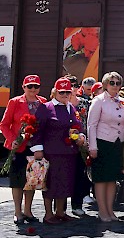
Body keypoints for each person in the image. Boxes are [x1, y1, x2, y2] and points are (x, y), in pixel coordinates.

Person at [30, 78, 84, 224]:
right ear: (55, 92)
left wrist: (80, 135)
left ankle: (61, 212)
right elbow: (37, 130)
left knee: (65, 182)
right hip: (51, 153)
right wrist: (38, 149)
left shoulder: (70, 108)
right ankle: (48, 214)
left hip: (69, 152)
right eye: (62, 92)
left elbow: (77, 126)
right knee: (50, 184)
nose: (65, 95)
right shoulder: (45, 108)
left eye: (67, 92)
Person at [1, 75, 47, 224]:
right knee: (17, 180)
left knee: (32, 181)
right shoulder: (15, 102)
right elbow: (4, 124)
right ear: (24, 87)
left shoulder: (43, 102)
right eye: (30, 86)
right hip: (18, 147)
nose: (33, 89)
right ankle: (17, 211)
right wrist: (13, 139)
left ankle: (28, 210)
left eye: (36, 86)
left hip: (35, 148)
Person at [87, 71, 124, 222]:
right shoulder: (99, 101)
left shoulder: (122, 101)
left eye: (118, 83)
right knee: (101, 179)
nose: (115, 86)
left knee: (112, 179)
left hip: (118, 144)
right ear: (105, 85)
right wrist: (93, 147)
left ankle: (110, 210)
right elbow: (91, 124)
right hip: (102, 143)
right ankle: (102, 211)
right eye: (112, 83)